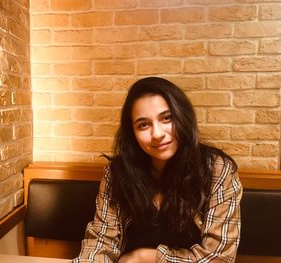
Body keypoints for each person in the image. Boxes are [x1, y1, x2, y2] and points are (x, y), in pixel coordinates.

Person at [73, 77, 242, 263]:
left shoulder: (217, 170)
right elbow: (101, 242)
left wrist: (144, 257)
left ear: (183, 117)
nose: (157, 134)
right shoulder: (116, 174)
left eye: (166, 118)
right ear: (133, 133)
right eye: (143, 125)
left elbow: (220, 258)